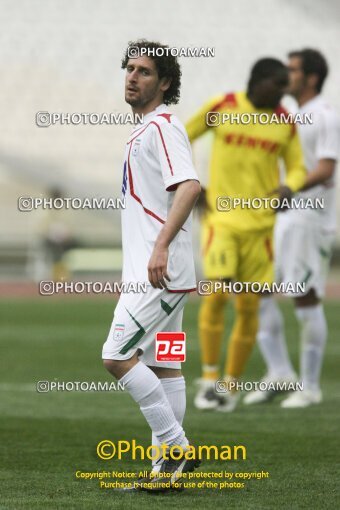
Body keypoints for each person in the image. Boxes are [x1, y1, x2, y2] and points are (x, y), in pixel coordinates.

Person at [102, 40, 201, 490]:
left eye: (143, 71)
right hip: (162, 270)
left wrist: (160, 246)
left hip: (158, 271)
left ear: (164, 83)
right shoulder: (144, 130)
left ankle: (176, 447)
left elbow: (190, 186)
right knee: (167, 365)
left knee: (116, 355)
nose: (131, 76)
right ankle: (166, 473)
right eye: (128, 68)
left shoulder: (163, 126)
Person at [186, 58, 306, 412]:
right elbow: (182, 136)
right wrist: (192, 184)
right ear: (258, 82)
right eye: (279, 85)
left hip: (261, 228)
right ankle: (209, 379)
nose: (284, 92)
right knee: (218, 295)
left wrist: (290, 187)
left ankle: (229, 385)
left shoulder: (284, 122)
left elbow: (298, 166)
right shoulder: (221, 106)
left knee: (250, 304)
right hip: (222, 221)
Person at [244, 49, 340, 408]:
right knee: (257, 290)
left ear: (312, 77)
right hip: (280, 215)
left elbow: (327, 169)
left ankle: (311, 386)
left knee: (304, 297)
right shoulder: (288, 115)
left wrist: (291, 189)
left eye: (294, 69)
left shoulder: (325, 116)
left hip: (307, 218)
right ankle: (280, 372)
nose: (287, 74)